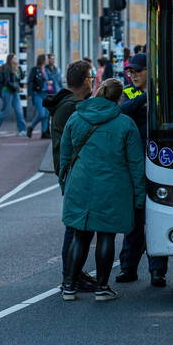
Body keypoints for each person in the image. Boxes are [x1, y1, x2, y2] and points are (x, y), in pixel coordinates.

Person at [59, 78, 145, 301]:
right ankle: (102, 288)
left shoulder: (76, 117)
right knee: (106, 235)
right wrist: (139, 196)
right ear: (119, 98)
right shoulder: (125, 124)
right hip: (112, 186)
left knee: (80, 235)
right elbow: (136, 164)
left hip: (80, 183)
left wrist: (64, 184)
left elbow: (64, 155)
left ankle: (69, 286)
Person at [116, 52, 169, 286]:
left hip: (157, 164)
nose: (133, 74)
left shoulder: (163, 93)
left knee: (157, 218)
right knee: (134, 221)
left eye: (138, 70)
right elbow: (122, 110)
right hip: (135, 166)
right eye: (131, 71)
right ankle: (128, 268)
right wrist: (143, 99)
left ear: (151, 71)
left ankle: (157, 271)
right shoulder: (128, 93)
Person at [47, 59, 97, 292]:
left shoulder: (70, 102)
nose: (94, 80)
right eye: (92, 76)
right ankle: (70, 275)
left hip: (72, 170)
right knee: (75, 226)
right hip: (74, 171)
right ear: (86, 80)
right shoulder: (72, 106)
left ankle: (74, 272)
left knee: (79, 226)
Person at [0, 53, 26, 136]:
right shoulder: (6, 68)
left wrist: (20, 70)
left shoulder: (17, 67)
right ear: (10, 59)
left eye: (17, 57)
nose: (16, 59)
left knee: (19, 110)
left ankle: (22, 130)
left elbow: (21, 78)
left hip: (15, 92)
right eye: (15, 58)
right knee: (5, 111)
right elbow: (7, 81)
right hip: (7, 91)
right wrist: (15, 88)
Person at [26, 54, 49, 139]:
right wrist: (30, 93)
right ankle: (31, 127)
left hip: (45, 94)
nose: (48, 60)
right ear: (42, 60)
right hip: (37, 94)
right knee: (41, 114)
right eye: (46, 59)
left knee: (46, 114)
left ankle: (44, 133)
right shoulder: (35, 70)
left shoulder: (46, 70)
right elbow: (30, 82)